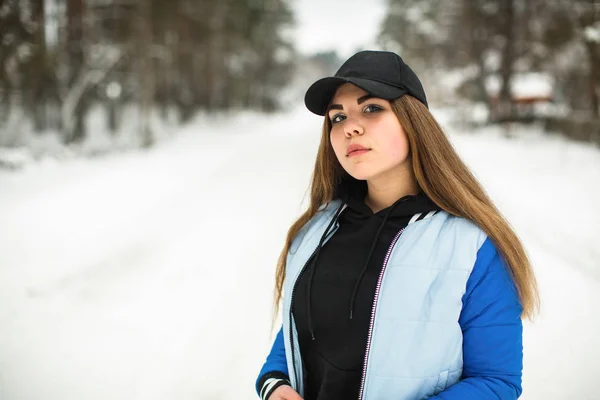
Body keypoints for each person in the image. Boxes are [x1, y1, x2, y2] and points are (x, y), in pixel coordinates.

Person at [255, 50, 539, 400]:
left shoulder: (471, 246)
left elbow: (496, 382)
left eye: (371, 108)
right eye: (337, 117)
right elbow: (299, 327)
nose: (350, 127)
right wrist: (275, 383)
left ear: (413, 121)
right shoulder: (316, 229)